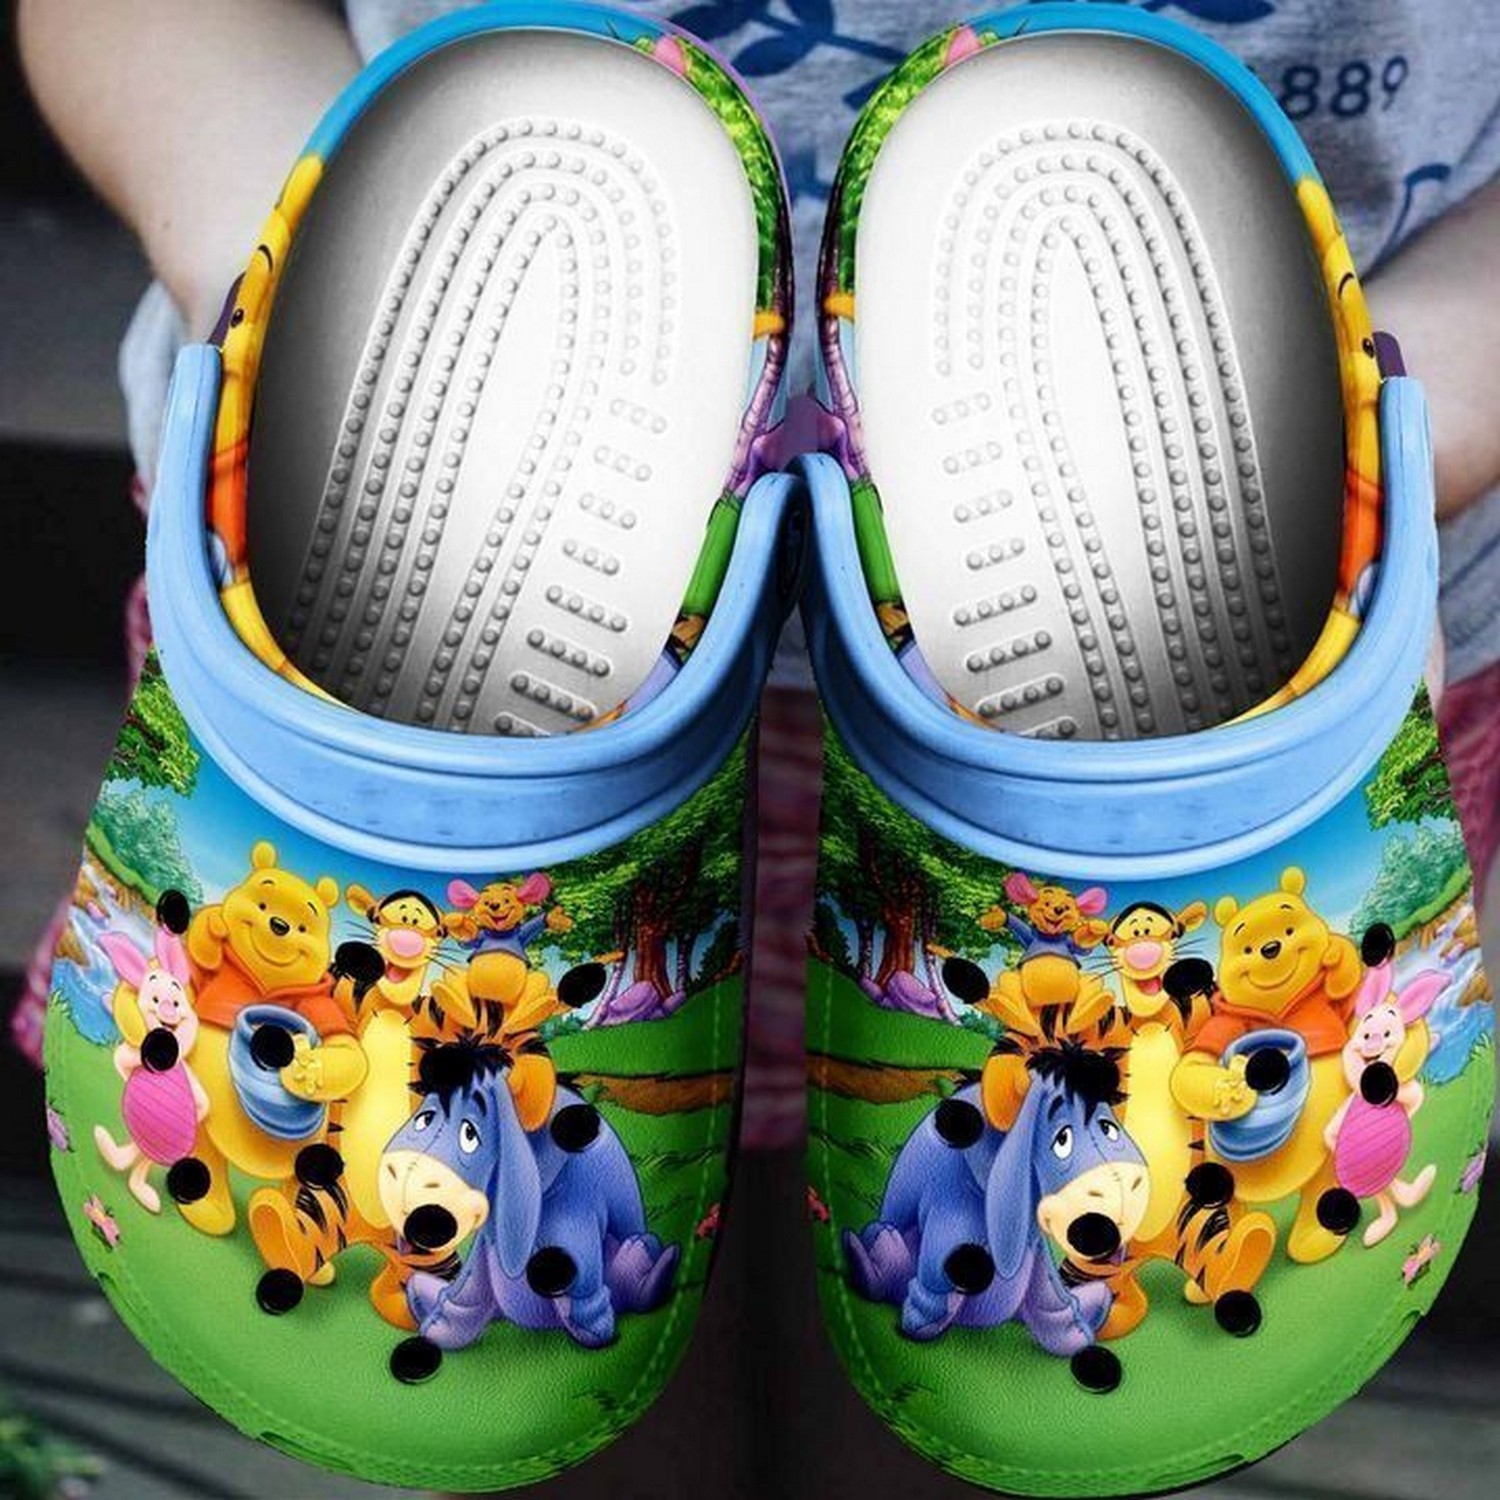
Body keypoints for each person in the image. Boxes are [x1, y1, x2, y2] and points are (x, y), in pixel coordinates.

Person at [19, 0, 1500, 1147]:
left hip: (1257, 552)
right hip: (412, 545)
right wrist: (301, 296)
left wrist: (1380, 421)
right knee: (721, 1331)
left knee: (658, 1296)